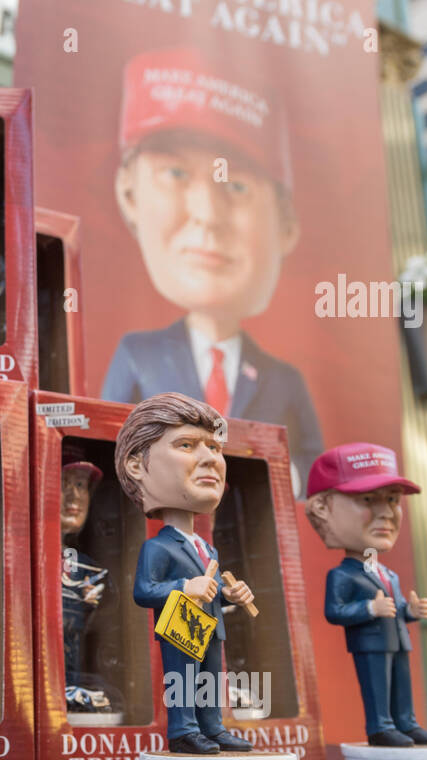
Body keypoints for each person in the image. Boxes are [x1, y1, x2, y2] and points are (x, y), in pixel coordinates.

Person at [101, 47, 323, 492]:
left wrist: (268, 478)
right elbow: (105, 443)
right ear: (129, 194)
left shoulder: (283, 379)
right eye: (175, 174)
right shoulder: (138, 353)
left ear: (287, 226)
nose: (206, 214)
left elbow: (311, 463)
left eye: (238, 186)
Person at [117, 392, 255, 754]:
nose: (210, 458)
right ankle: (183, 729)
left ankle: (212, 726)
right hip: (179, 625)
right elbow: (145, 591)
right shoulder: (157, 547)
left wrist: (230, 596)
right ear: (136, 466)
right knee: (183, 677)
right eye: (187, 444)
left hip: (210, 624)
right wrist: (184, 586)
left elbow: (211, 587)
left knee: (211, 675)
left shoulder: (207, 548)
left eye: (214, 447)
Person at [304, 442, 427, 747]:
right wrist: (370, 608)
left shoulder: (389, 574)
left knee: (401, 684)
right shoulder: (343, 574)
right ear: (323, 509)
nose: (385, 512)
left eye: (393, 500)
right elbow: (334, 611)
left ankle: (406, 722)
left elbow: (395, 607)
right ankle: (380, 726)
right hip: (369, 645)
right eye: (368, 499)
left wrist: (411, 611)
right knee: (377, 686)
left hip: (397, 640)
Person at [60, 451, 110, 713]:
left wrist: (94, 595)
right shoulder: (33, 557)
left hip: (76, 621)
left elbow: (105, 596)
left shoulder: (84, 562)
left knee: (74, 657)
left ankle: (72, 689)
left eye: (80, 485)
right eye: (63, 484)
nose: (75, 495)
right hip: (48, 629)